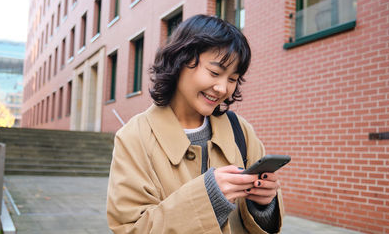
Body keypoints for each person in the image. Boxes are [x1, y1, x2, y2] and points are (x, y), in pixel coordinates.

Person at [106, 15, 283, 233]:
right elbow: (131, 228)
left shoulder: (242, 130)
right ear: (180, 61)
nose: (222, 88)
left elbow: (264, 224)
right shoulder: (134, 136)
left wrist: (263, 204)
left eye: (232, 79)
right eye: (215, 73)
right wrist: (208, 199)